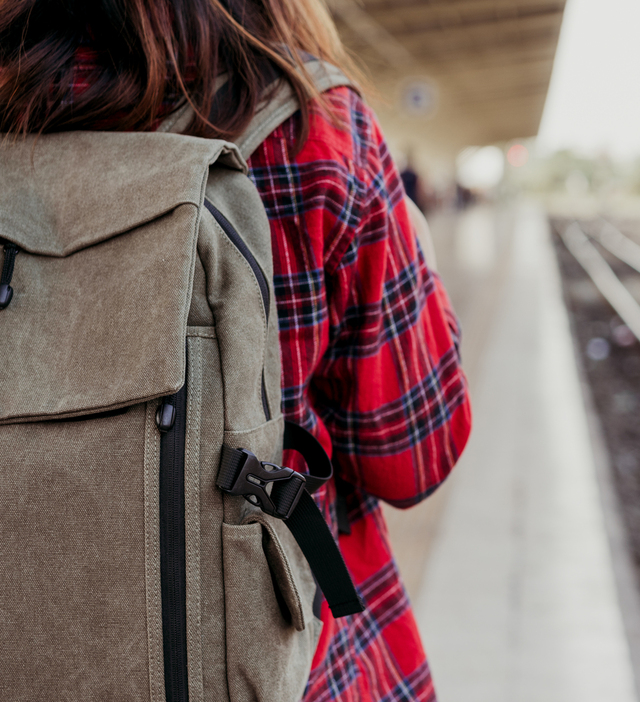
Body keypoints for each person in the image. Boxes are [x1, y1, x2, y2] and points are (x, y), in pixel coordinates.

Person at [0, 1, 472, 700]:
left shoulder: (14, 105)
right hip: (285, 669)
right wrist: (419, 258)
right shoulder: (313, 126)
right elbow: (412, 456)